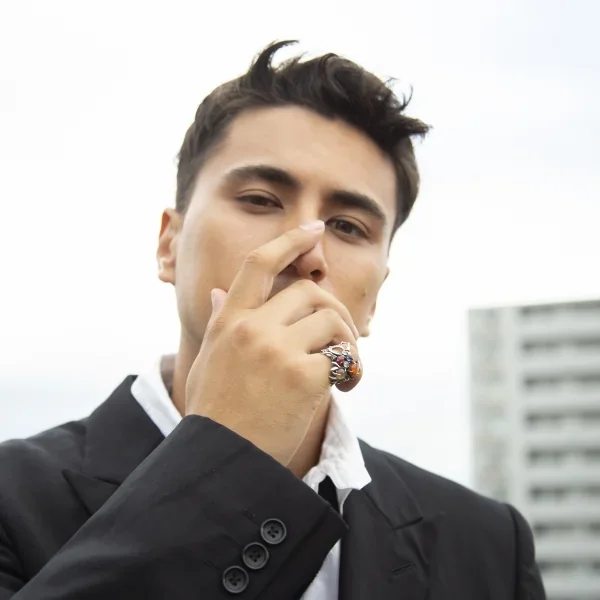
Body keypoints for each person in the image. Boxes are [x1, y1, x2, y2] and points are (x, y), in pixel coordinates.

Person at [0, 40, 545, 599]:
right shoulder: (12, 496)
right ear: (169, 245)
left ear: (374, 298)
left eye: (349, 227)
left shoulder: (488, 544)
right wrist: (225, 453)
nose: (307, 250)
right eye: (260, 200)